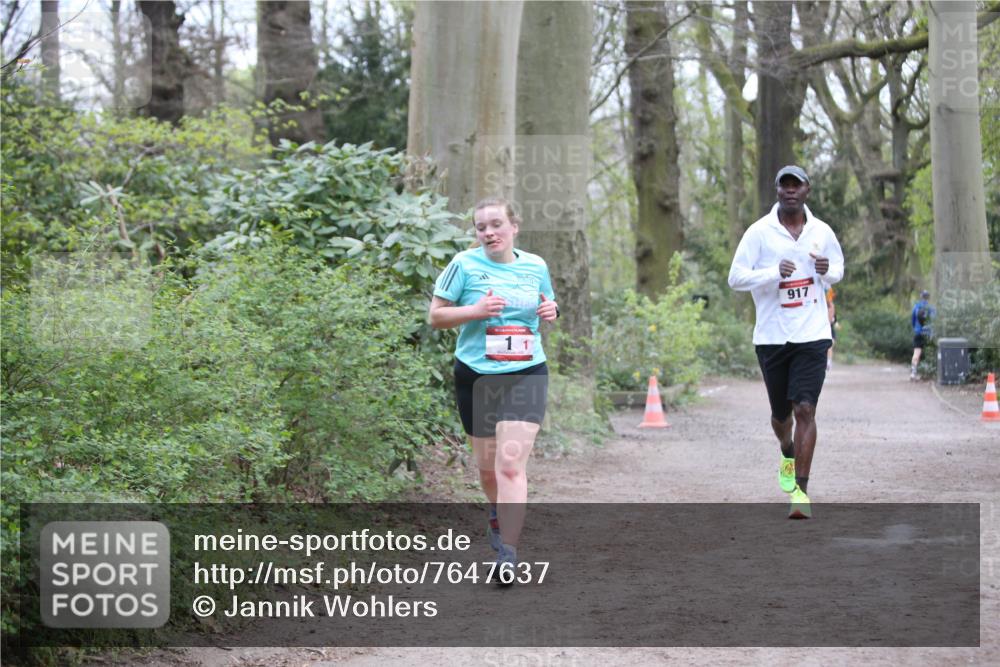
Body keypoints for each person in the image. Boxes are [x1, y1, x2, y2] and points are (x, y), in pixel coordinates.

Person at [428, 197, 558, 582]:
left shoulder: (535, 265)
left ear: (514, 226)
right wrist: (474, 312)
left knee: (510, 465)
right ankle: (498, 517)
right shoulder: (463, 266)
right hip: (476, 375)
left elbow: (546, 302)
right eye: (481, 227)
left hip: (526, 372)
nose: (489, 233)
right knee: (488, 472)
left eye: (496, 224)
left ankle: (509, 554)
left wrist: (551, 310)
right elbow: (435, 316)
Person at [728, 165, 844, 519]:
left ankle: (801, 493)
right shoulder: (758, 233)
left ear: (807, 190)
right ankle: (786, 449)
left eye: (797, 185)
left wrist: (827, 269)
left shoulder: (822, 231)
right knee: (782, 417)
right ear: (777, 190)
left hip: (812, 333)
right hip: (772, 337)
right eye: (785, 185)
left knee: (805, 409)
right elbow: (735, 278)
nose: (791, 191)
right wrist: (771, 272)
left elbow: (838, 269)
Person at [910, 290, 934, 380]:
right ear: (928, 297)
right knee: (929, 353)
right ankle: (928, 373)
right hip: (928, 334)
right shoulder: (931, 308)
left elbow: (912, 320)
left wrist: (916, 329)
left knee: (916, 353)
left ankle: (913, 372)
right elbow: (934, 322)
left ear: (921, 297)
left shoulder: (916, 307)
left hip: (918, 333)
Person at [825, 286, 836, 371]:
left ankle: (828, 361)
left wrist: (828, 322)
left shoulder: (828, 289)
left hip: (827, 325)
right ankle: (827, 361)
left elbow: (831, 305)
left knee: (830, 344)